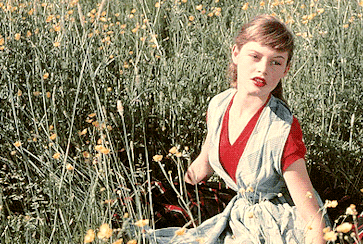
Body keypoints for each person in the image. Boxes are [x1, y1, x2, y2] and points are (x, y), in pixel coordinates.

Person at [135, 14, 329, 243]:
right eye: (255, 56)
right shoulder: (219, 105)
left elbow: (312, 217)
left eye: (276, 62)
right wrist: (168, 192)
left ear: (286, 70)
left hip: (274, 221)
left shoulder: (282, 131)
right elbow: (203, 166)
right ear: (236, 53)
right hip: (238, 207)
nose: (263, 69)